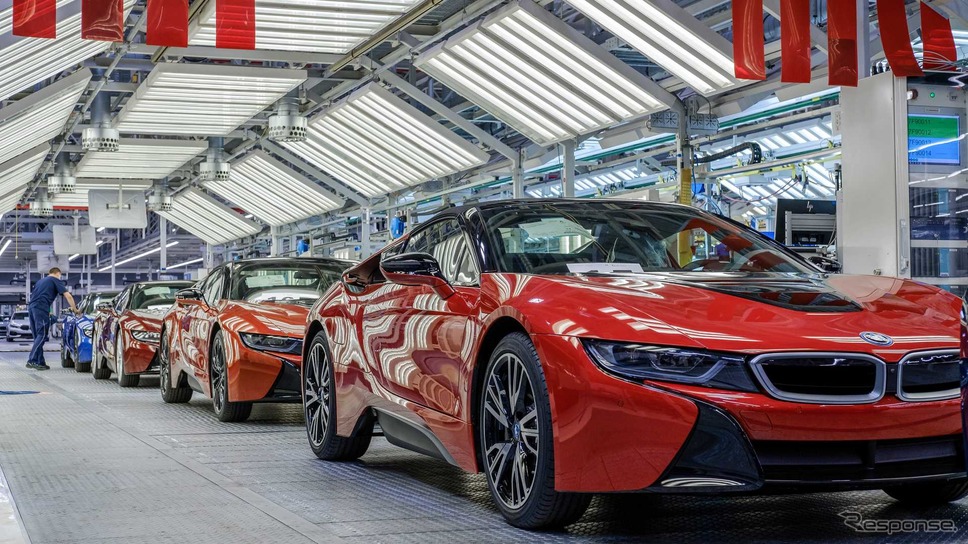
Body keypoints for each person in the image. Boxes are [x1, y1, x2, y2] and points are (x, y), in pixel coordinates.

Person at [26, 267, 79, 371]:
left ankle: (40, 362)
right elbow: (68, 296)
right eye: (60, 275)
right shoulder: (55, 280)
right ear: (58, 273)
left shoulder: (40, 281)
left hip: (32, 308)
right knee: (42, 335)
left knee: (38, 336)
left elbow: (38, 296)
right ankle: (32, 360)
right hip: (41, 308)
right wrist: (75, 309)